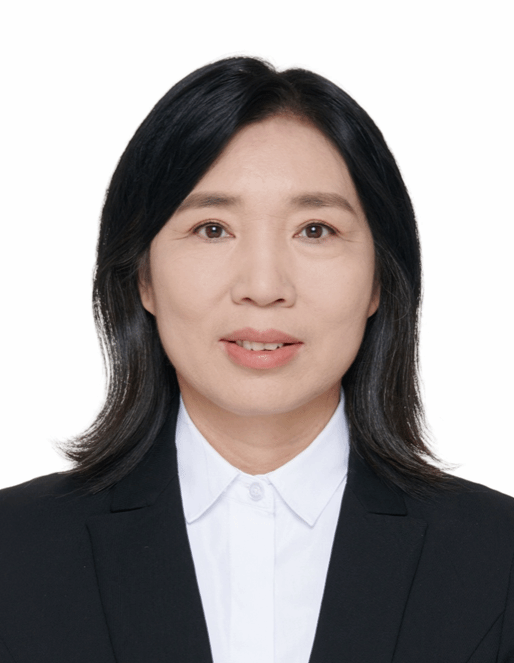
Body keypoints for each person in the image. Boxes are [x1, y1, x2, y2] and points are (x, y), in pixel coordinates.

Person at [0, 56, 513, 663]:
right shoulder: (15, 552)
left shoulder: (498, 559)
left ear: (380, 278)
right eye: (212, 229)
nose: (264, 286)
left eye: (315, 230)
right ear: (143, 276)